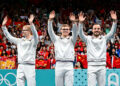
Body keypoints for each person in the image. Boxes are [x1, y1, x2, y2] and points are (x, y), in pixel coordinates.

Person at [78, 11, 117, 86]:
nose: (96, 30)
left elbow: (112, 32)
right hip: (91, 66)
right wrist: (80, 23)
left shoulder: (104, 38)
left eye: (98, 29)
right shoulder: (88, 39)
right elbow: (80, 34)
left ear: (100, 30)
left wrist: (114, 21)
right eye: (95, 28)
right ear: (92, 30)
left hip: (102, 66)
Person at [2, 14, 38, 86]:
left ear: (29, 31)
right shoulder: (20, 41)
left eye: (24, 30)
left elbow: (35, 35)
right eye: (22, 30)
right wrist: (3, 27)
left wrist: (31, 24)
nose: (23, 31)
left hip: (30, 66)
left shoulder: (34, 41)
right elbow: (9, 37)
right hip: (20, 66)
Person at [48, 10, 78, 86]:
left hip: (69, 64)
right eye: (63, 29)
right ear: (60, 30)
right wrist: (50, 20)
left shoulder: (72, 39)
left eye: (67, 29)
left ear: (69, 31)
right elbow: (50, 31)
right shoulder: (56, 39)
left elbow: (75, 32)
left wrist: (74, 22)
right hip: (59, 64)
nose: (65, 30)